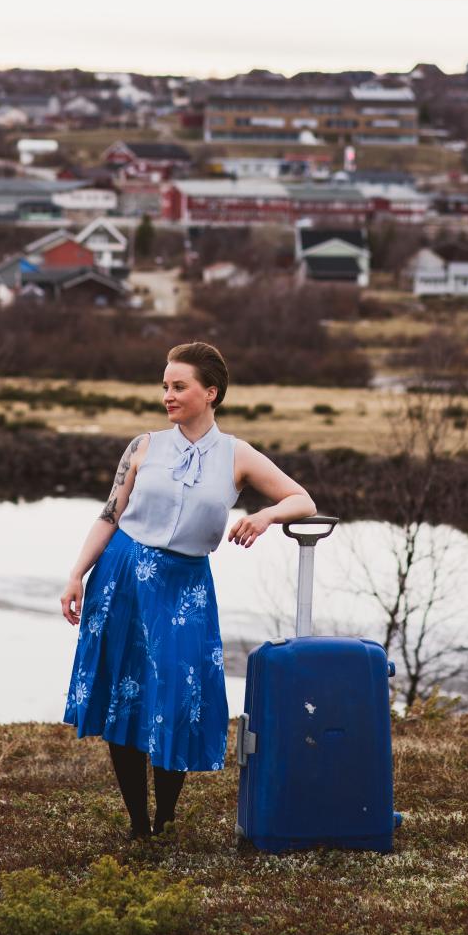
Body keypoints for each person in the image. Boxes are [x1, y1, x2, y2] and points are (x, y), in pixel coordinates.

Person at [60, 340, 316, 838]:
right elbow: (110, 516)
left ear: (211, 393)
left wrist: (262, 516)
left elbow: (301, 499)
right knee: (126, 698)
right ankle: (138, 823)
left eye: (179, 386)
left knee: (179, 697)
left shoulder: (236, 456)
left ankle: (166, 817)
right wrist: (76, 575)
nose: (168, 396)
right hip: (124, 577)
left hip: (185, 589)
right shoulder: (142, 447)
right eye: (165, 386)